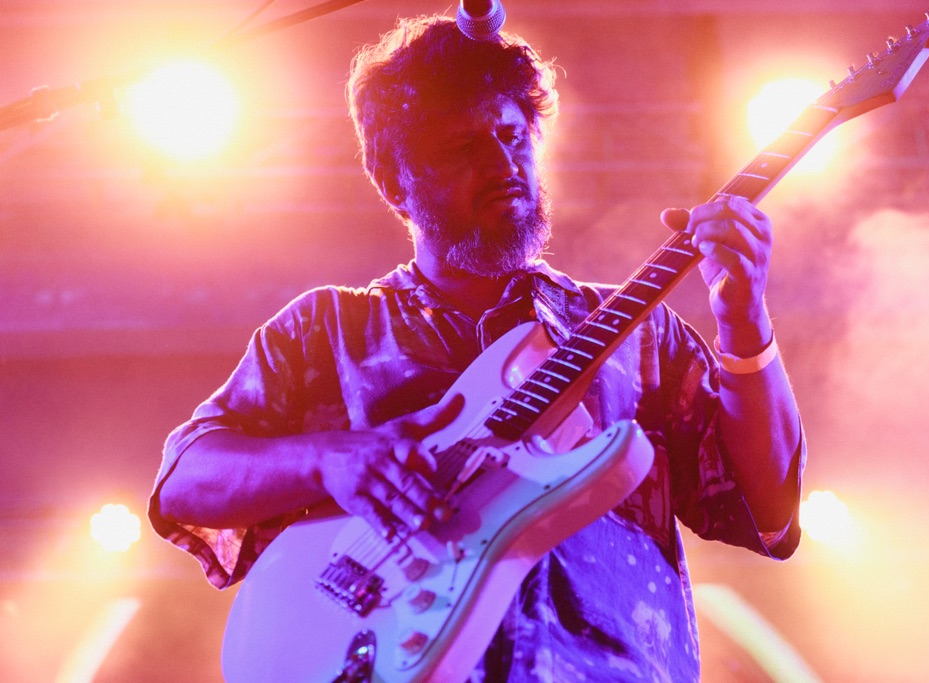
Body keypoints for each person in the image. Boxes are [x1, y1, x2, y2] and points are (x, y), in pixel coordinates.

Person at [149, 14, 805, 682]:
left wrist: (744, 319)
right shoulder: (324, 332)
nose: (500, 163)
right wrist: (331, 459)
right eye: (462, 148)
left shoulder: (638, 331)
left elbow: (770, 512)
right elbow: (185, 480)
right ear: (395, 183)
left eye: (512, 135)